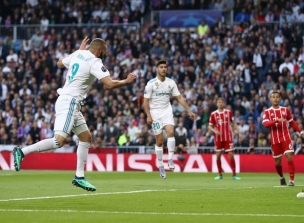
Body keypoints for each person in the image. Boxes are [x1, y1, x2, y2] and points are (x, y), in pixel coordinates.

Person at [12, 37, 138, 191]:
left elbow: (59, 63)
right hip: (70, 102)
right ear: (99, 50)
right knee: (59, 141)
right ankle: (22, 151)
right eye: (104, 51)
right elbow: (109, 84)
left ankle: (79, 176)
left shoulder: (78, 54)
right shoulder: (95, 62)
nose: (104, 54)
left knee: (86, 137)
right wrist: (126, 81)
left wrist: (78, 50)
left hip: (71, 103)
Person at [143, 60, 196, 179]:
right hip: (155, 113)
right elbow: (145, 101)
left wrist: (189, 111)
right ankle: (161, 165)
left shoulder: (171, 83)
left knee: (171, 132)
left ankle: (170, 159)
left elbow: (180, 98)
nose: (163, 69)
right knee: (160, 141)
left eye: (165, 67)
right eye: (161, 67)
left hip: (167, 111)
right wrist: (148, 115)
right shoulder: (151, 84)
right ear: (157, 69)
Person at [262, 91, 304, 186]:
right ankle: (281, 177)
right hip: (275, 140)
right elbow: (266, 124)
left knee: (289, 156)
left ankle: (291, 180)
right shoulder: (267, 112)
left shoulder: (285, 110)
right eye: (273, 97)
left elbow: (292, 122)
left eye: (277, 97)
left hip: (286, 138)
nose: (275, 98)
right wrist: (276, 120)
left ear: (280, 99)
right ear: (270, 99)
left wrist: (301, 132)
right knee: (278, 163)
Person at [208, 98, 243, 180]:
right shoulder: (213, 114)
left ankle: (234, 174)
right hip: (218, 138)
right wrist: (214, 131)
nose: (220, 103)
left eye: (222, 102)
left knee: (231, 154)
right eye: (219, 102)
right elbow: (209, 126)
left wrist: (239, 133)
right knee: (218, 156)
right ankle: (220, 174)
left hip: (228, 137)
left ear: (224, 104)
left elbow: (233, 123)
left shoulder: (228, 112)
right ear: (217, 104)